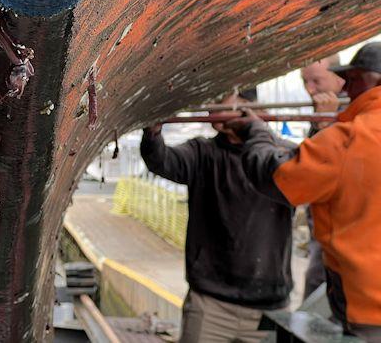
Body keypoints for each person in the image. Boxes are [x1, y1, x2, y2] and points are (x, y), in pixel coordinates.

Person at [232, 42, 381, 340]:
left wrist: (256, 132)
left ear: (373, 80)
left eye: (352, 80)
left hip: (369, 311)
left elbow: (277, 178)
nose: (345, 89)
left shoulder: (352, 138)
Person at [141, 88, 296, 343]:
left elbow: (321, 173)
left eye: (218, 101)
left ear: (246, 107)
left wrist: (260, 132)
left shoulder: (280, 157)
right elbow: (163, 161)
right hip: (210, 303)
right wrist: (153, 133)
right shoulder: (202, 153)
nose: (210, 110)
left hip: (269, 307)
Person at [299, 56, 345, 298]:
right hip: (324, 233)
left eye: (316, 81)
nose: (309, 89)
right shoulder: (321, 113)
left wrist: (325, 125)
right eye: (304, 81)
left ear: (339, 78)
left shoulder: (351, 114)